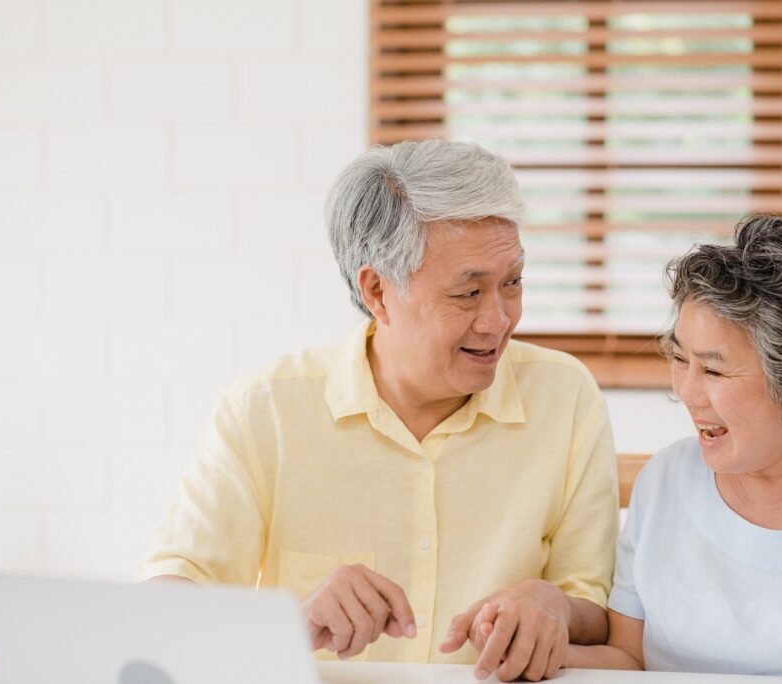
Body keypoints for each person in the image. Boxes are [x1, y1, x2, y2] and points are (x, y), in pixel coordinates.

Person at [140, 140, 620, 682]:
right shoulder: (265, 410)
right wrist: (293, 623)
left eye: (512, 283)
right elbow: (165, 604)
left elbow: (597, 611)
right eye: (468, 293)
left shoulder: (565, 397)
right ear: (377, 292)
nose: (498, 320)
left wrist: (555, 606)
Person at [566, 214, 782, 679]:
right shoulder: (667, 481)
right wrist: (536, 648)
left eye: (713, 370)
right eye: (680, 358)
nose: (686, 392)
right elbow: (628, 661)